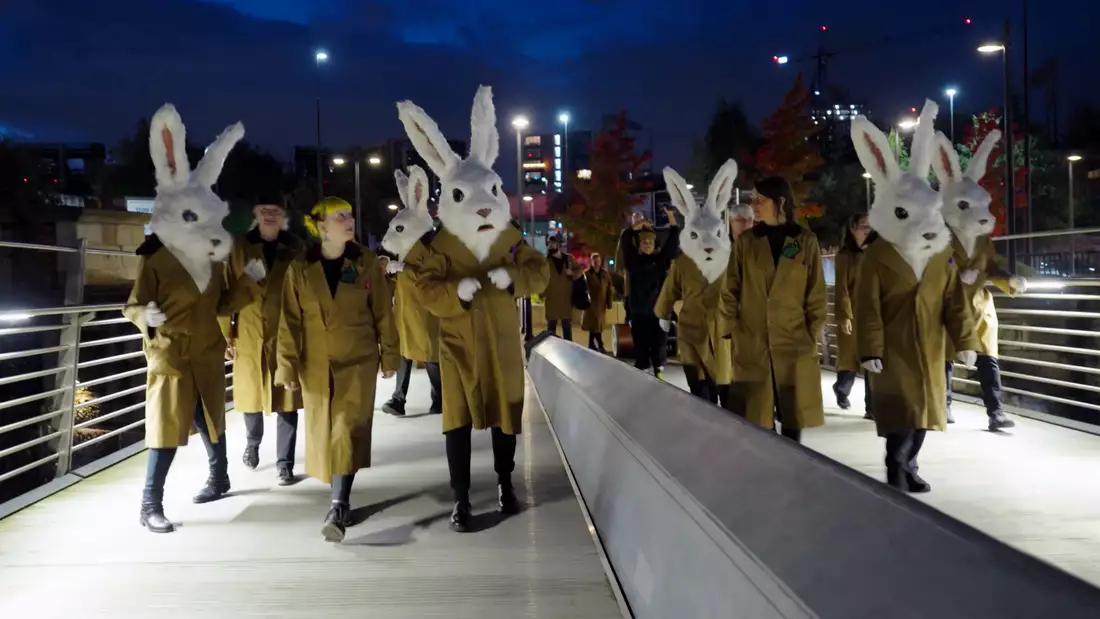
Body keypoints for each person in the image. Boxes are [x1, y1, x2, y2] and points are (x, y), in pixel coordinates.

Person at [396, 85, 551, 532]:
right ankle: (460, 498)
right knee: (457, 422)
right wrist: (454, 294)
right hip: (458, 343)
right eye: (466, 196)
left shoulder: (508, 236)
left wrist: (515, 279)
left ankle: (505, 482)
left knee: (507, 415)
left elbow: (539, 271)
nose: (484, 205)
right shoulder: (439, 244)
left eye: (490, 191)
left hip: (502, 343)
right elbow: (424, 286)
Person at [125, 104, 262, 533]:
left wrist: (250, 283)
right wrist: (143, 314)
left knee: (210, 418)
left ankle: (219, 476)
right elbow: (133, 303)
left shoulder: (214, 262)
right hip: (168, 352)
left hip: (204, 350)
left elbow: (223, 305)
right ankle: (151, 504)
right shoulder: (156, 260)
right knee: (164, 428)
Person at [275, 197, 400, 542]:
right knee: (326, 432)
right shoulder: (300, 267)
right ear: (321, 225)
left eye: (350, 215)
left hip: (357, 359)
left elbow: (383, 312)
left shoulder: (366, 262)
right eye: (340, 216)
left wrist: (390, 355)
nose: (349, 221)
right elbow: (289, 321)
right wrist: (286, 367)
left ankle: (338, 504)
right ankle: (338, 496)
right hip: (314, 364)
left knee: (345, 429)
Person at [931, 129, 1026, 431]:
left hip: (980, 306)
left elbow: (992, 267)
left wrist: (1009, 279)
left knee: (988, 358)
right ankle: (943, 405)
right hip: (948, 305)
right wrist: (956, 276)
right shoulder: (939, 238)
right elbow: (930, 272)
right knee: (946, 355)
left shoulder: (983, 243)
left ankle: (996, 411)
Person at [722, 177, 827, 443]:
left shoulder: (803, 241)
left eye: (761, 199)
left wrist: (811, 335)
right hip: (754, 341)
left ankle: (792, 470)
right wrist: (732, 329)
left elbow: (815, 293)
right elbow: (730, 289)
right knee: (757, 416)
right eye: (753, 199)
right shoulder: (748, 242)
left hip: (794, 341)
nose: (754, 205)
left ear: (780, 201)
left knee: (793, 416)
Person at [223, 195, 304, 486]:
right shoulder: (240, 247)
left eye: (276, 210)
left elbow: (304, 291)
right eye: (264, 209)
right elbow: (226, 288)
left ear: (284, 215)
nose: (270, 214)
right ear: (256, 212)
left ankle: (285, 464)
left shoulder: (295, 247)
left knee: (288, 399)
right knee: (251, 397)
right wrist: (226, 334)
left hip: (285, 332)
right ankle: (253, 444)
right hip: (249, 330)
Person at [656, 160, 737, 405]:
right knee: (699, 388)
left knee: (725, 382)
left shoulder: (730, 262)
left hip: (723, 330)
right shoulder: (683, 264)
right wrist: (664, 312)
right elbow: (670, 289)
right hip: (692, 329)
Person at [381, 167, 443, 418]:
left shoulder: (432, 246)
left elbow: (432, 275)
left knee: (429, 355)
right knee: (404, 354)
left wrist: (401, 268)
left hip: (424, 312)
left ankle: (440, 399)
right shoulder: (407, 248)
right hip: (406, 310)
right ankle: (398, 399)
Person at [618, 208, 680, 379]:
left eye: (650, 243)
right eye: (644, 243)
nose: (647, 246)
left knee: (659, 343)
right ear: (640, 245)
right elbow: (625, 240)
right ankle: (643, 371)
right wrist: (637, 226)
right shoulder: (634, 262)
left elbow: (671, 244)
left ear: (654, 245)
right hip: (639, 311)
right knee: (641, 345)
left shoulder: (660, 262)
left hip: (658, 311)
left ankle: (659, 369)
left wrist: (672, 221)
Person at [832, 213, 875, 420]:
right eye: (862, 226)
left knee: (873, 359)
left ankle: (872, 407)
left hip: (873, 316)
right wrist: (845, 316)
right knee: (849, 357)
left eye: (870, 226)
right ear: (852, 229)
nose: (867, 230)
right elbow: (841, 288)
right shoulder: (845, 256)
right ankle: (842, 390)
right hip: (853, 312)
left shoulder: (877, 253)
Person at [542, 235, 582, 340]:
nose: (550, 246)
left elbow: (579, 271)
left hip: (566, 297)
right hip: (552, 298)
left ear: (558, 245)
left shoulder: (568, 258)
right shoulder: (545, 261)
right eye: (549, 244)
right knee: (551, 329)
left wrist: (571, 273)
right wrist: (543, 293)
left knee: (567, 328)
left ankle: (569, 352)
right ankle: (550, 352)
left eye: (553, 244)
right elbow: (540, 278)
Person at [581, 252, 614, 352]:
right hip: (591, 304)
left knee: (596, 326)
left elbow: (609, 289)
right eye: (594, 261)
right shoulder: (587, 274)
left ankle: (591, 344)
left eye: (598, 261)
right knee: (595, 325)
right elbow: (583, 289)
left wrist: (609, 303)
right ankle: (600, 344)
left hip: (602, 303)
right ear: (591, 262)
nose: (596, 263)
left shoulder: (605, 274)